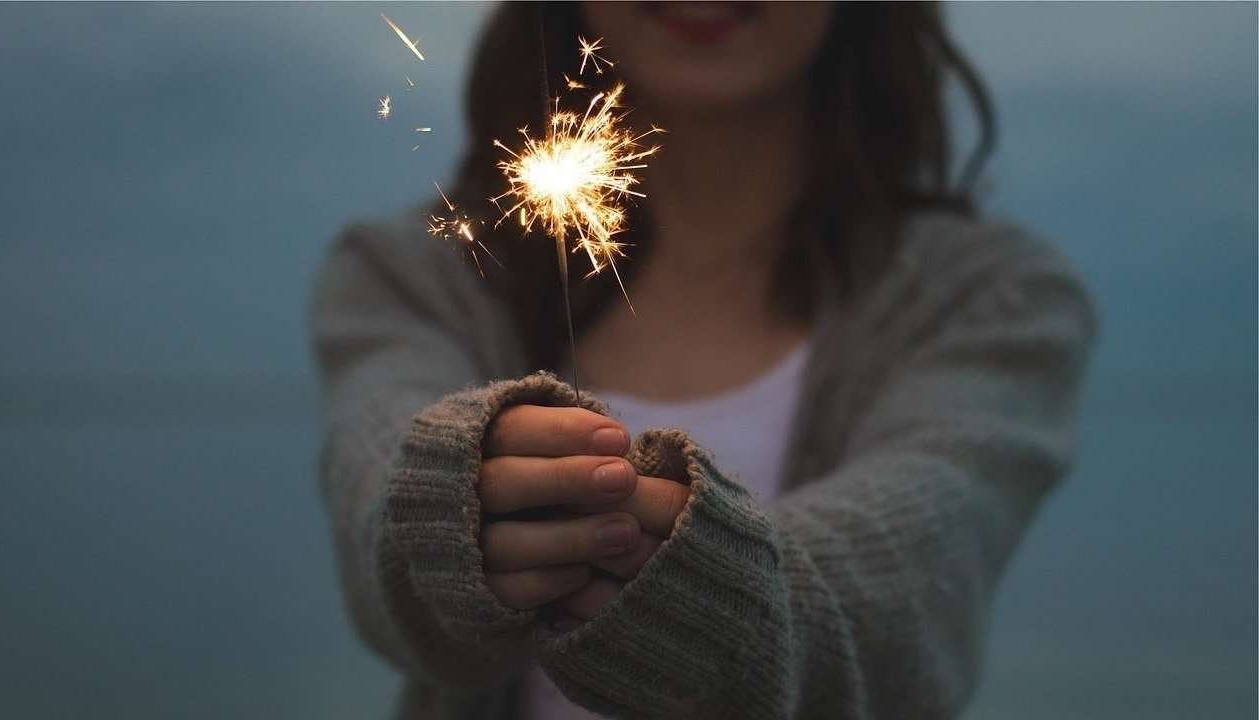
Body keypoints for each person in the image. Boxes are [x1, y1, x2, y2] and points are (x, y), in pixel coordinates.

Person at [311, 3, 1096, 719]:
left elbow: (916, 580)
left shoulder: (987, 300)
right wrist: (449, 509)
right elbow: (378, 492)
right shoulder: (415, 276)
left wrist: (717, 593)